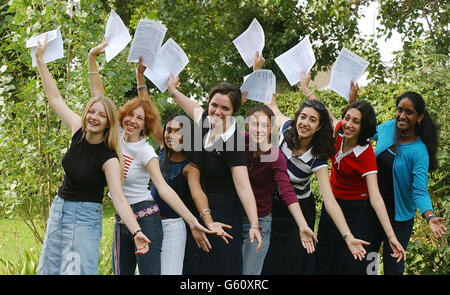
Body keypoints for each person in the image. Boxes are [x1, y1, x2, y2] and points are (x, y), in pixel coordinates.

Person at [88, 41, 213, 275]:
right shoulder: (116, 136)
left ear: (146, 126)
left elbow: (163, 189)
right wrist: (92, 59)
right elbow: (99, 98)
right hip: (121, 218)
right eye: (130, 116)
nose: (133, 121)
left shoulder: (147, 151)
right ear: (123, 116)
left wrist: (193, 221)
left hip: (146, 217)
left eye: (140, 119)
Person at [35, 34, 150, 275]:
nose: (94, 117)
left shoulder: (109, 159)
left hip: (84, 216)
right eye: (91, 112)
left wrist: (137, 232)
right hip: (59, 209)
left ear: (109, 122)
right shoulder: (78, 130)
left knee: (79, 272)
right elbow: (54, 97)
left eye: (101, 115)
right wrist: (40, 59)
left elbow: (118, 199)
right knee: (49, 269)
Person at [260, 68, 371, 275]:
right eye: (303, 117)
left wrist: (348, 236)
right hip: (273, 204)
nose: (305, 123)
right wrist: (258, 72)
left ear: (319, 127)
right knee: (267, 260)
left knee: (291, 264)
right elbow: (271, 105)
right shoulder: (286, 130)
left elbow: (329, 201)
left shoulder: (318, 157)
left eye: (313, 120)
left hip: (299, 210)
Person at [299, 71, 406, 275]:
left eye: (355, 121)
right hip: (333, 207)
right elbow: (324, 111)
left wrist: (391, 236)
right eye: (347, 118)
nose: (348, 124)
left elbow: (376, 198)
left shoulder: (366, 156)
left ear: (364, 126)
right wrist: (306, 88)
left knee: (351, 264)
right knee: (323, 259)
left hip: (358, 212)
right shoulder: (339, 132)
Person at [167, 74, 262, 275]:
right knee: (193, 268)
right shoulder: (205, 122)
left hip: (223, 213)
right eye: (214, 105)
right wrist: (173, 91)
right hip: (197, 208)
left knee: (219, 268)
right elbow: (190, 106)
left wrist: (254, 224)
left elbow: (243, 186)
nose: (217, 112)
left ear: (234, 112)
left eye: (225, 108)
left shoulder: (233, 142)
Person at [362, 91, 446, 275]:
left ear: (419, 117)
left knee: (394, 265)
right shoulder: (387, 127)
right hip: (373, 208)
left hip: (398, 217)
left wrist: (430, 217)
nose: (402, 116)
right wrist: (354, 104)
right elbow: (364, 132)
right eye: (400, 110)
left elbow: (420, 191)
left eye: (409, 112)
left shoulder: (418, 151)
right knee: (370, 259)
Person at [240, 102, 318, 275]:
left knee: (248, 274)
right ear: (247, 125)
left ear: (270, 128)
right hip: (234, 216)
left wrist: (303, 225)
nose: (258, 129)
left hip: (259, 221)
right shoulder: (239, 141)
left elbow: (287, 190)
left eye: (264, 125)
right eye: (254, 124)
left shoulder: (275, 156)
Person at [151, 113, 233, 275]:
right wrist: (141, 86)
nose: (171, 136)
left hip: (171, 228)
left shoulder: (190, 167)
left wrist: (209, 222)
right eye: (168, 130)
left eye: (178, 132)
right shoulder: (162, 151)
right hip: (150, 224)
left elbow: (198, 194)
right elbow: (149, 114)